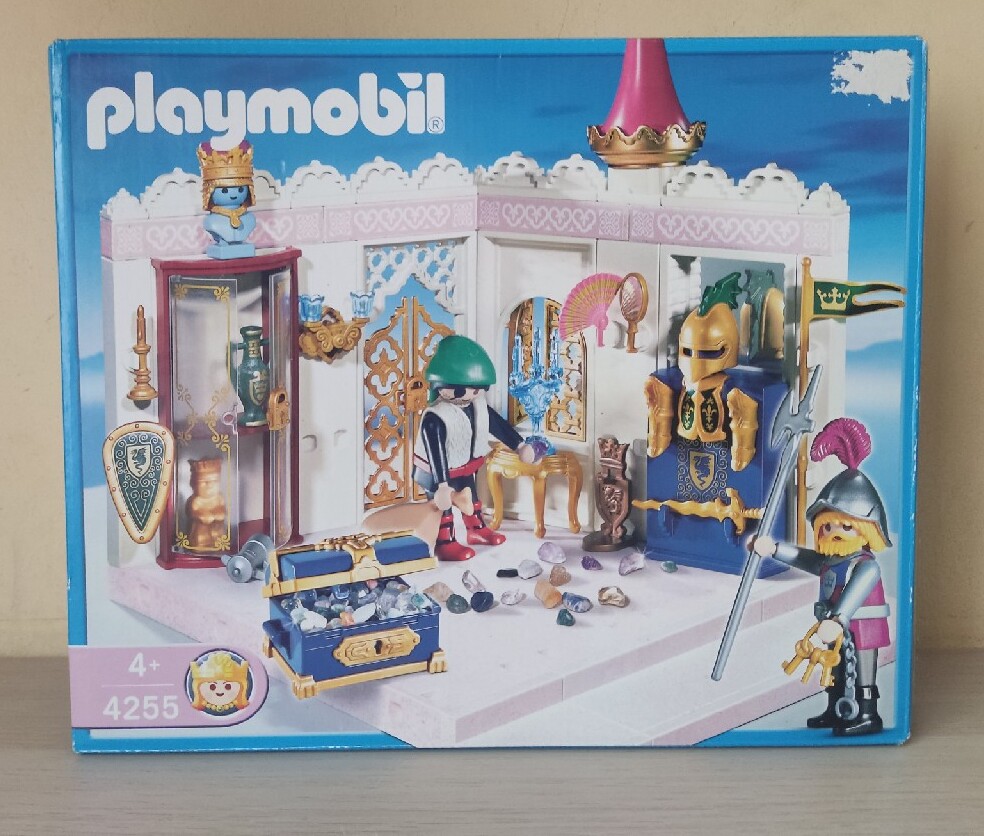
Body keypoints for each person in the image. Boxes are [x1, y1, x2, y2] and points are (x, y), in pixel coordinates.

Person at [752, 417, 890, 736]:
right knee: (835, 667)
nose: (834, 532)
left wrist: (839, 618)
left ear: (867, 529)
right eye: (827, 526)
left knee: (862, 672)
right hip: (833, 626)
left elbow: (856, 592)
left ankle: (866, 714)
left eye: (846, 526)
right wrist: (774, 549)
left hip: (861, 627)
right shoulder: (831, 561)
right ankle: (835, 709)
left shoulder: (865, 565)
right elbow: (807, 559)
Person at [412, 335, 536, 561]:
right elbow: (435, 451)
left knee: (472, 498)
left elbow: (497, 425)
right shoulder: (435, 416)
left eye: (477, 389)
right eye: (463, 390)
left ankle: (476, 529)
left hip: (464, 465)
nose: (471, 395)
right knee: (443, 507)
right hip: (436, 472)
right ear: (442, 387)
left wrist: (519, 445)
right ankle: (444, 542)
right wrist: (441, 485)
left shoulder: (477, 405)